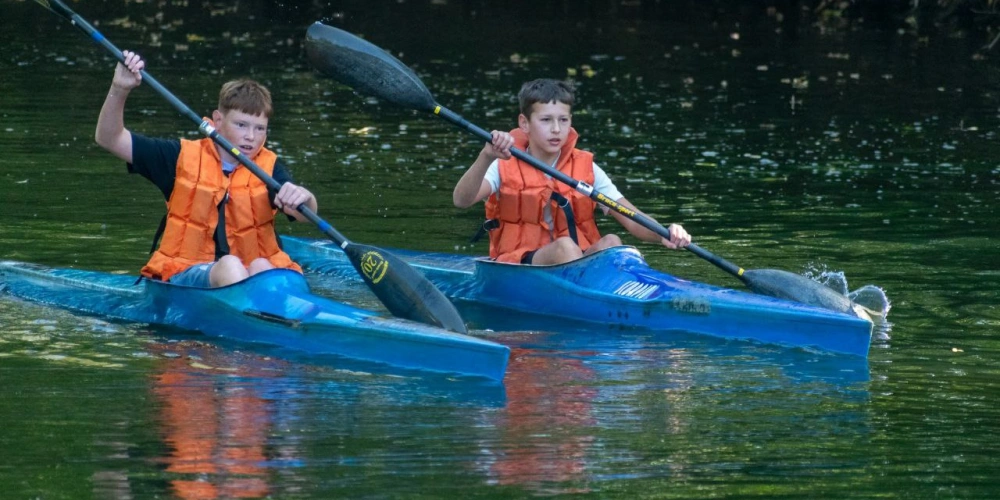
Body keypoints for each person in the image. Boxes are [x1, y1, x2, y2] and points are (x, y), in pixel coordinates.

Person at [95, 50, 318, 287]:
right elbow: (109, 138)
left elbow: (304, 214)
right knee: (230, 265)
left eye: (260, 128)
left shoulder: (269, 167)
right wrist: (120, 89)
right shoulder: (179, 156)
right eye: (241, 125)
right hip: (185, 272)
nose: (251, 137)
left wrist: (304, 197)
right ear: (218, 121)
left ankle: (256, 304)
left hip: (253, 275)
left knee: (263, 266)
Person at [452, 78, 691, 265]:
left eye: (563, 120)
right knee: (565, 247)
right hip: (521, 263)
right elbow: (461, 200)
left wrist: (664, 233)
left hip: (578, 261)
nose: (556, 129)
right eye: (546, 120)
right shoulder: (502, 163)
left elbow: (632, 218)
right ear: (524, 123)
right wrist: (486, 156)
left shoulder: (587, 168)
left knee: (612, 242)